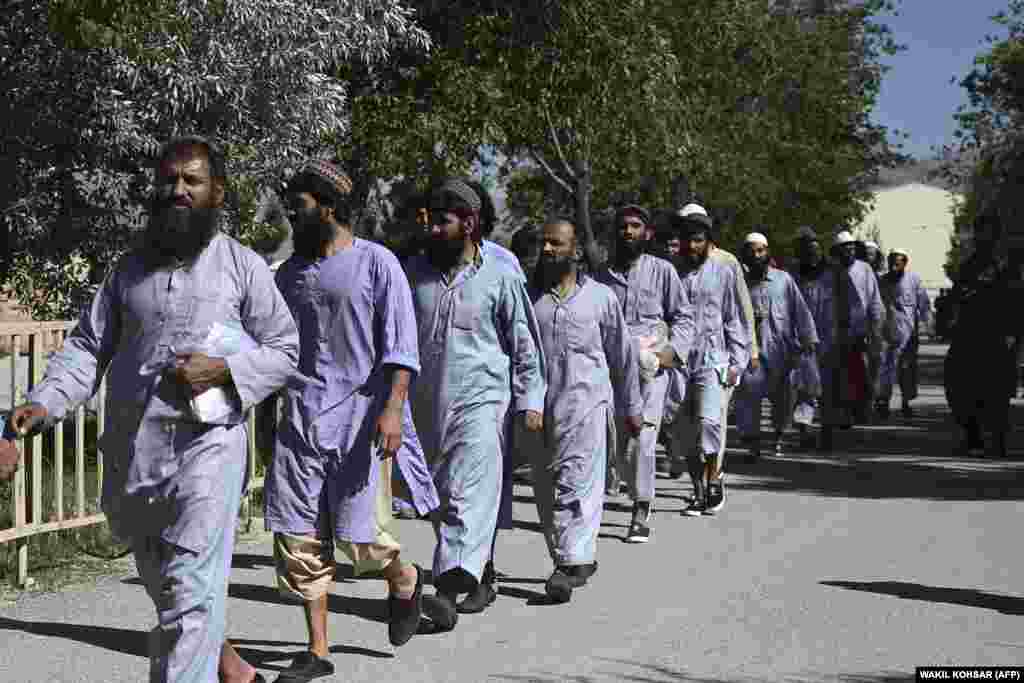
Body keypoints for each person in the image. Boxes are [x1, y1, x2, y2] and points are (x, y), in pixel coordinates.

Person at [0, 136, 299, 683]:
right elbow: (89, 348)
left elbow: (284, 349)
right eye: (169, 180)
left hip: (207, 453)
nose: (177, 191)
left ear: (217, 193)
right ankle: (235, 673)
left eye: (192, 181)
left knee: (190, 593)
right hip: (134, 459)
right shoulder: (128, 270)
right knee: (174, 595)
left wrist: (225, 370)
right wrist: (42, 403)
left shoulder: (241, 266)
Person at [263, 160, 437, 681]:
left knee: (360, 539)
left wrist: (393, 409)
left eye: (301, 201)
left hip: (360, 420)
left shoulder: (378, 263)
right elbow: (278, 348)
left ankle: (403, 579)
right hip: (299, 419)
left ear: (330, 207)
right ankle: (317, 650)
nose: (291, 210)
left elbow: (401, 347)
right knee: (298, 538)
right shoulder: (289, 274)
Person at [407, 178, 546, 630]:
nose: (431, 229)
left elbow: (525, 343)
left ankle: (445, 591)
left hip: (483, 401)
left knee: (468, 490)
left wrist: (531, 400)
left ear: (468, 224)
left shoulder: (501, 274)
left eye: (442, 221)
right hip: (428, 404)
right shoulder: (415, 275)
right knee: (441, 494)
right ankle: (480, 571)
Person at [528, 219, 642, 602]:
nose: (546, 250)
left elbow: (623, 357)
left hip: (588, 407)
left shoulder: (601, 299)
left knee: (577, 484)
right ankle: (574, 558)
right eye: (544, 243)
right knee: (545, 489)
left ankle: (567, 566)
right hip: (541, 411)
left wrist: (632, 406)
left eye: (555, 244)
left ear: (575, 251)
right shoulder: (531, 301)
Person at [592, 204, 692, 543]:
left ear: (647, 233)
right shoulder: (600, 275)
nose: (628, 232)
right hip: (611, 369)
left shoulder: (662, 271)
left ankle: (641, 508)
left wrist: (671, 353)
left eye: (635, 226)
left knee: (642, 436)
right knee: (613, 437)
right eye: (623, 226)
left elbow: (684, 317)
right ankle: (618, 487)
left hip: (651, 371)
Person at [666, 204, 757, 481]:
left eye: (697, 237)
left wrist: (744, 354)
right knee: (685, 426)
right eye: (685, 234)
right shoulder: (670, 268)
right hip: (681, 361)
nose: (690, 243)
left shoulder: (726, 264)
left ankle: (713, 479)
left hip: (716, 359)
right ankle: (699, 485)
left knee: (711, 420)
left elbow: (740, 310)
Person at [733, 233, 818, 459]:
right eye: (751, 251)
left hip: (782, 350)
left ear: (767, 253)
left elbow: (800, 311)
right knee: (749, 393)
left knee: (783, 398)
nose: (756, 256)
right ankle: (752, 441)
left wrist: (808, 339)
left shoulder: (783, 280)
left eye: (760, 251)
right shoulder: (739, 283)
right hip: (751, 352)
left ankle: (779, 435)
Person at [819, 230, 885, 450]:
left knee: (861, 373)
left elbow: (874, 300)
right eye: (843, 248)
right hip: (835, 333)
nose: (848, 251)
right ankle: (840, 416)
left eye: (851, 247)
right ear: (837, 251)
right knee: (836, 377)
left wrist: (875, 327)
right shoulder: (829, 273)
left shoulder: (864, 269)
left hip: (860, 332)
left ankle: (860, 410)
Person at [876, 248, 931, 419]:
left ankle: (907, 402)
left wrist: (929, 325)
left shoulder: (914, 279)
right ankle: (883, 401)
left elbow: (924, 304)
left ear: (905, 263)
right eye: (892, 262)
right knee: (886, 369)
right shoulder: (882, 281)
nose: (894, 266)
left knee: (907, 370)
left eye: (898, 262)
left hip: (909, 335)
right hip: (887, 334)